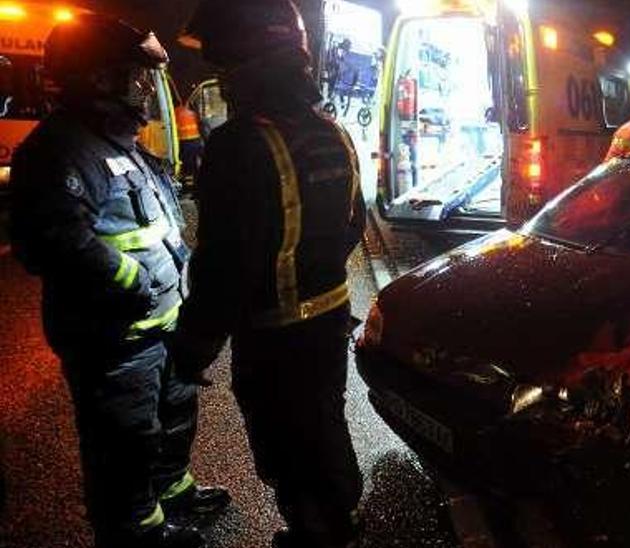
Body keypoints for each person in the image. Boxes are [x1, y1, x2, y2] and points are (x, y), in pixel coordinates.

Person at [7, 14, 228, 548]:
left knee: (173, 418)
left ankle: (173, 493)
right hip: (115, 340)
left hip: (160, 328)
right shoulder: (59, 150)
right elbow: (53, 243)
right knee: (124, 442)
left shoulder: (119, 142)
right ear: (97, 78)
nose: (143, 87)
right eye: (133, 75)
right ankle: (135, 531)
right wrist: (133, 283)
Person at [174, 1, 366, 546]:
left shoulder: (239, 145)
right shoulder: (335, 133)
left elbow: (223, 267)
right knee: (325, 428)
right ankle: (336, 526)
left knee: (287, 445)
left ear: (246, 65)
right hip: (328, 323)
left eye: (225, 68)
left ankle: (315, 534)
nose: (224, 83)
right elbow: (353, 227)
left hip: (274, 337)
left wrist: (191, 349)